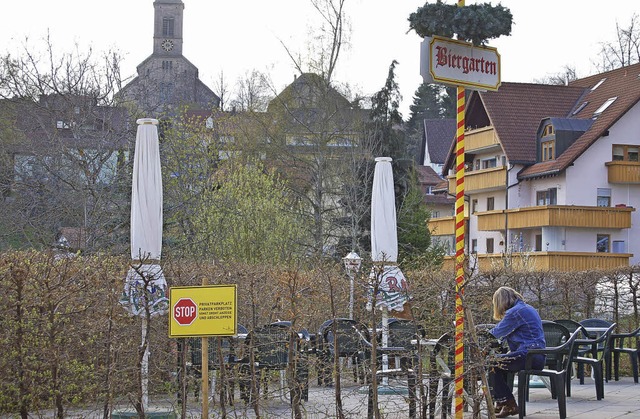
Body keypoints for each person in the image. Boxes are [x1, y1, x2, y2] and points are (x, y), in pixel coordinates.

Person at [488, 286, 546, 418]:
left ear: (500, 302)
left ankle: (509, 405)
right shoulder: (527, 308)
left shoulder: (515, 312)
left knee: (491, 364)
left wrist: (476, 336)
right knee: (499, 365)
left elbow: (496, 333)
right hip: (536, 355)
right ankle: (501, 403)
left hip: (528, 355)